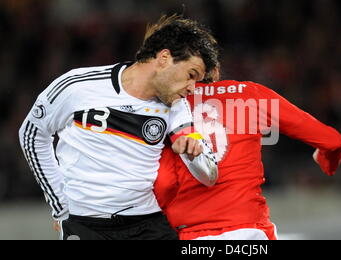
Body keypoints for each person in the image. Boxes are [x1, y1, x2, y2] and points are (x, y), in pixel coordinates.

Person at [18, 14, 219, 240]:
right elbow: (31, 134)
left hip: (147, 222)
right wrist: (60, 206)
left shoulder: (177, 106)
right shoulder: (77, 85)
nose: (192, 88)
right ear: (164, 58)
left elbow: (209, 175)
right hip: (86, 224)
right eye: (191, 75)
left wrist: (194, 151)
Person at [154, 73, 341, 240]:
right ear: (215, 70)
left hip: (190, 234)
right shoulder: (249, 93)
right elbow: (332, 141)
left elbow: (163, 183)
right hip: (250, 230)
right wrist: (327, 159)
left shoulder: (161, 109)